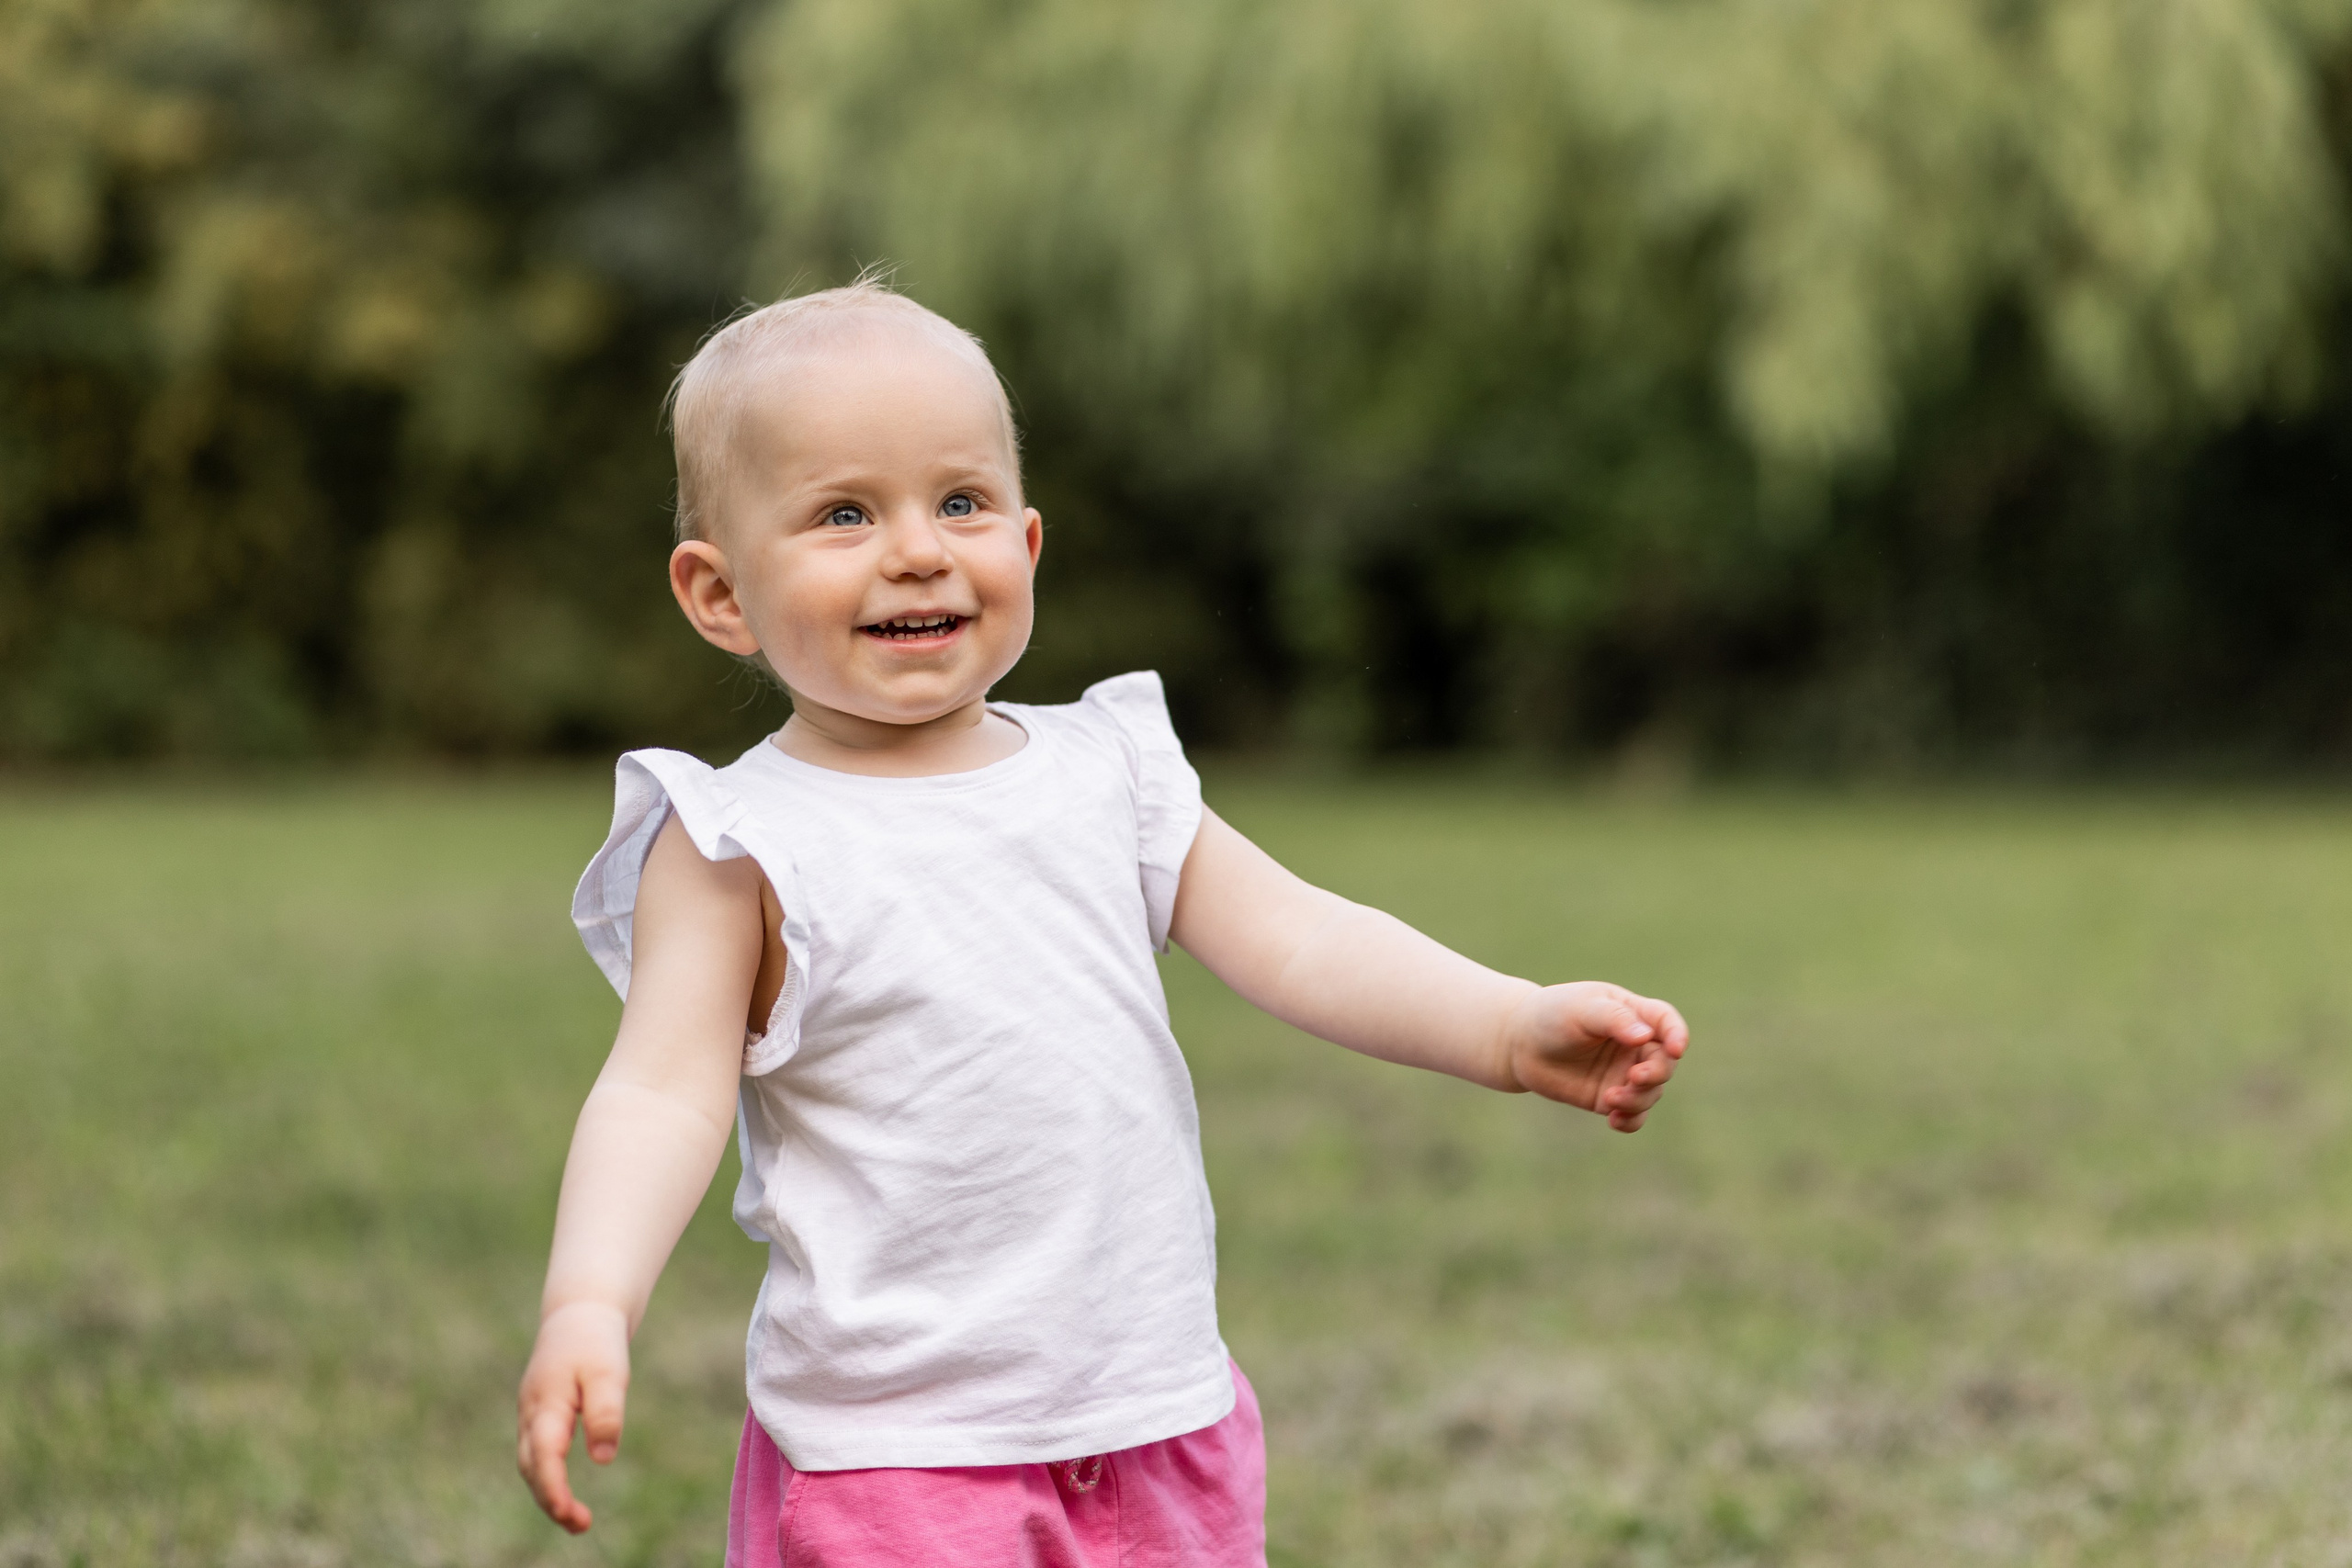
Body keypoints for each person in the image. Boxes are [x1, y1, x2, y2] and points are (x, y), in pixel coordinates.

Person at [514, 279, 1690, 1566]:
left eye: (959, 501)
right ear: (720, 593)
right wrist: (590, 1297)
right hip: (900, 1451)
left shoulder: (1108, 770)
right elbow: (661, 1096)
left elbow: (1300, 936)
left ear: (1025, 544)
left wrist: (1510, 1027)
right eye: (844, 513)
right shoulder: (740, 843)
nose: (918, 548)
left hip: (1151, 1414)